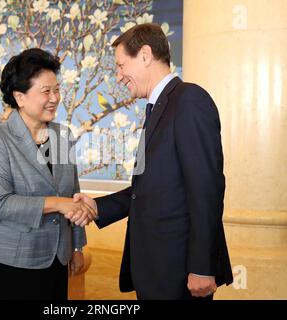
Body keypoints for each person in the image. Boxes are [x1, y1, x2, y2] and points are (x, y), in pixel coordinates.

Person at [66, 23, 233, 299]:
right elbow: (149, 189)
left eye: (121, 66)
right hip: (156, 269)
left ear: (145, 55)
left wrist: (203, 266)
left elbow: (206, 188)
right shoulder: (156, 109)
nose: (119, 77)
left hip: (180, 270)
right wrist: (98, 206)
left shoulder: (189, 100)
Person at [0, 48, 97, 300]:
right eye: (46, 91)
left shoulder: (62, 136)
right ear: (20, 97)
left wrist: (76, 246)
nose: (55, 98)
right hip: (8, 260)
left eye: (57, 89)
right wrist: (58, 204)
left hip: (56, 259)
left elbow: (72, 193)